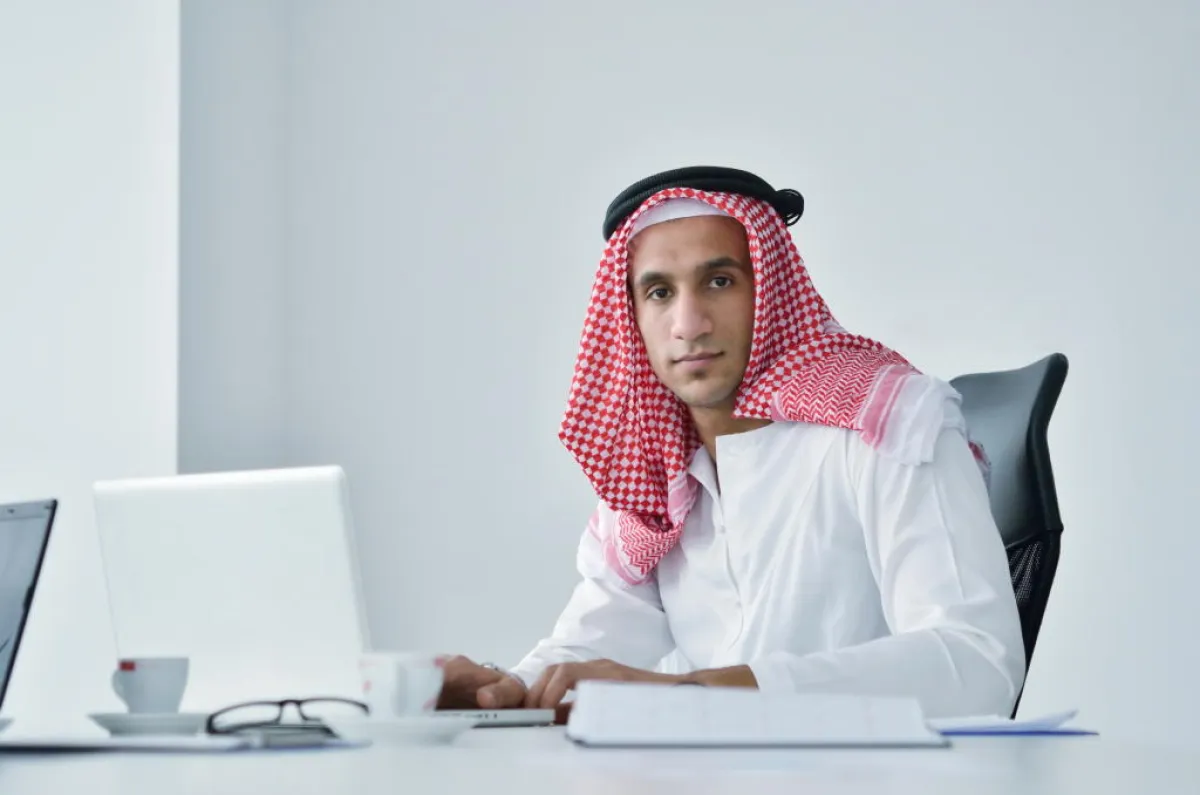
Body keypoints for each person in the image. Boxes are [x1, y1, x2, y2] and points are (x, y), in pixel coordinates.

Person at [438, 166, 1024, 719]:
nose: (689, 324)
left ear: (769, 292)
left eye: (718, 282)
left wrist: (696, 695)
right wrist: (502, 693)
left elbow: (978, 663)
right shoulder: (653, 467)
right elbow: (597, 637)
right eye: (659, 292)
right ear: (631, 318)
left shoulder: (887, 422)